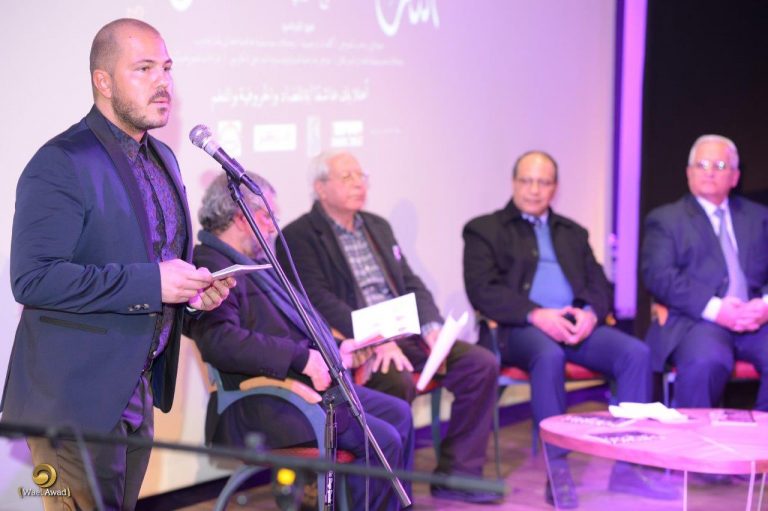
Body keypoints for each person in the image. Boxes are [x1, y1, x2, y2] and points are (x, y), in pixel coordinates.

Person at [0, 19, 233, 511]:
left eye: (166, 68)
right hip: (72, 400)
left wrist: (193, 294)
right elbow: (33, 277)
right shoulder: (61, 161)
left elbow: (157, 266)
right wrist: (153, 282)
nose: (163, 82)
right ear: (102, 82)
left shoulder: (163, 158)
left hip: (136, 388)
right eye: (144, 69)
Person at [277, 150, 500, 504]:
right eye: (347, 177)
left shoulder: (377, 226)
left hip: (404, 333)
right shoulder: (298, 236)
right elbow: (318, 301)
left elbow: (410, 282)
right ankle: (388, 496)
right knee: (395, 382)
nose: (358, 183)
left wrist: (431, 326)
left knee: (480, 364)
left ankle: (458, 475)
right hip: (358, 343)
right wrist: (376, 337)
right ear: (320, 188)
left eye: (361, 175)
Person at [186, 172, 414, 511]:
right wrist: (302, 358)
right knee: (384, 439)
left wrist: (337, 351)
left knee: (399, 413)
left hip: (299, 391)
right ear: (242, 219)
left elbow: (291, 330)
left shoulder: (255, 263)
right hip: (261, 402)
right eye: (268, 217)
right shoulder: (209, 266)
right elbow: (220, 340)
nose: (274, 228)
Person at [463, 150, 676, 508]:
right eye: (527, 181)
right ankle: (557, 470)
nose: (534, 189)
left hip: (574, 325)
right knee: (549, 355)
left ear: (555, 187)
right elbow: (482, 290)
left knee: (636, 354)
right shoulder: (485, 229)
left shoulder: (572, 232)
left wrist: (590, 313)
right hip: (518, 329)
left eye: (543, 182)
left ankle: (628, 468)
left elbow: (599, 284)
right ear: (514, 183)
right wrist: (536, 315)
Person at [642, 134, 768, 412]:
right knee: (706, 362)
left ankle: (759, 437)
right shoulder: (666, 219)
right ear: (689, 173)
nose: (710, 172)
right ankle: (696, 439)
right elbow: (658, 276)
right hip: (698, 321)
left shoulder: (759, 217)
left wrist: (765, 306)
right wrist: (716, 309)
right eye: (702, 165)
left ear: (735, 177)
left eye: (720, 166)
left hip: (755, 320)